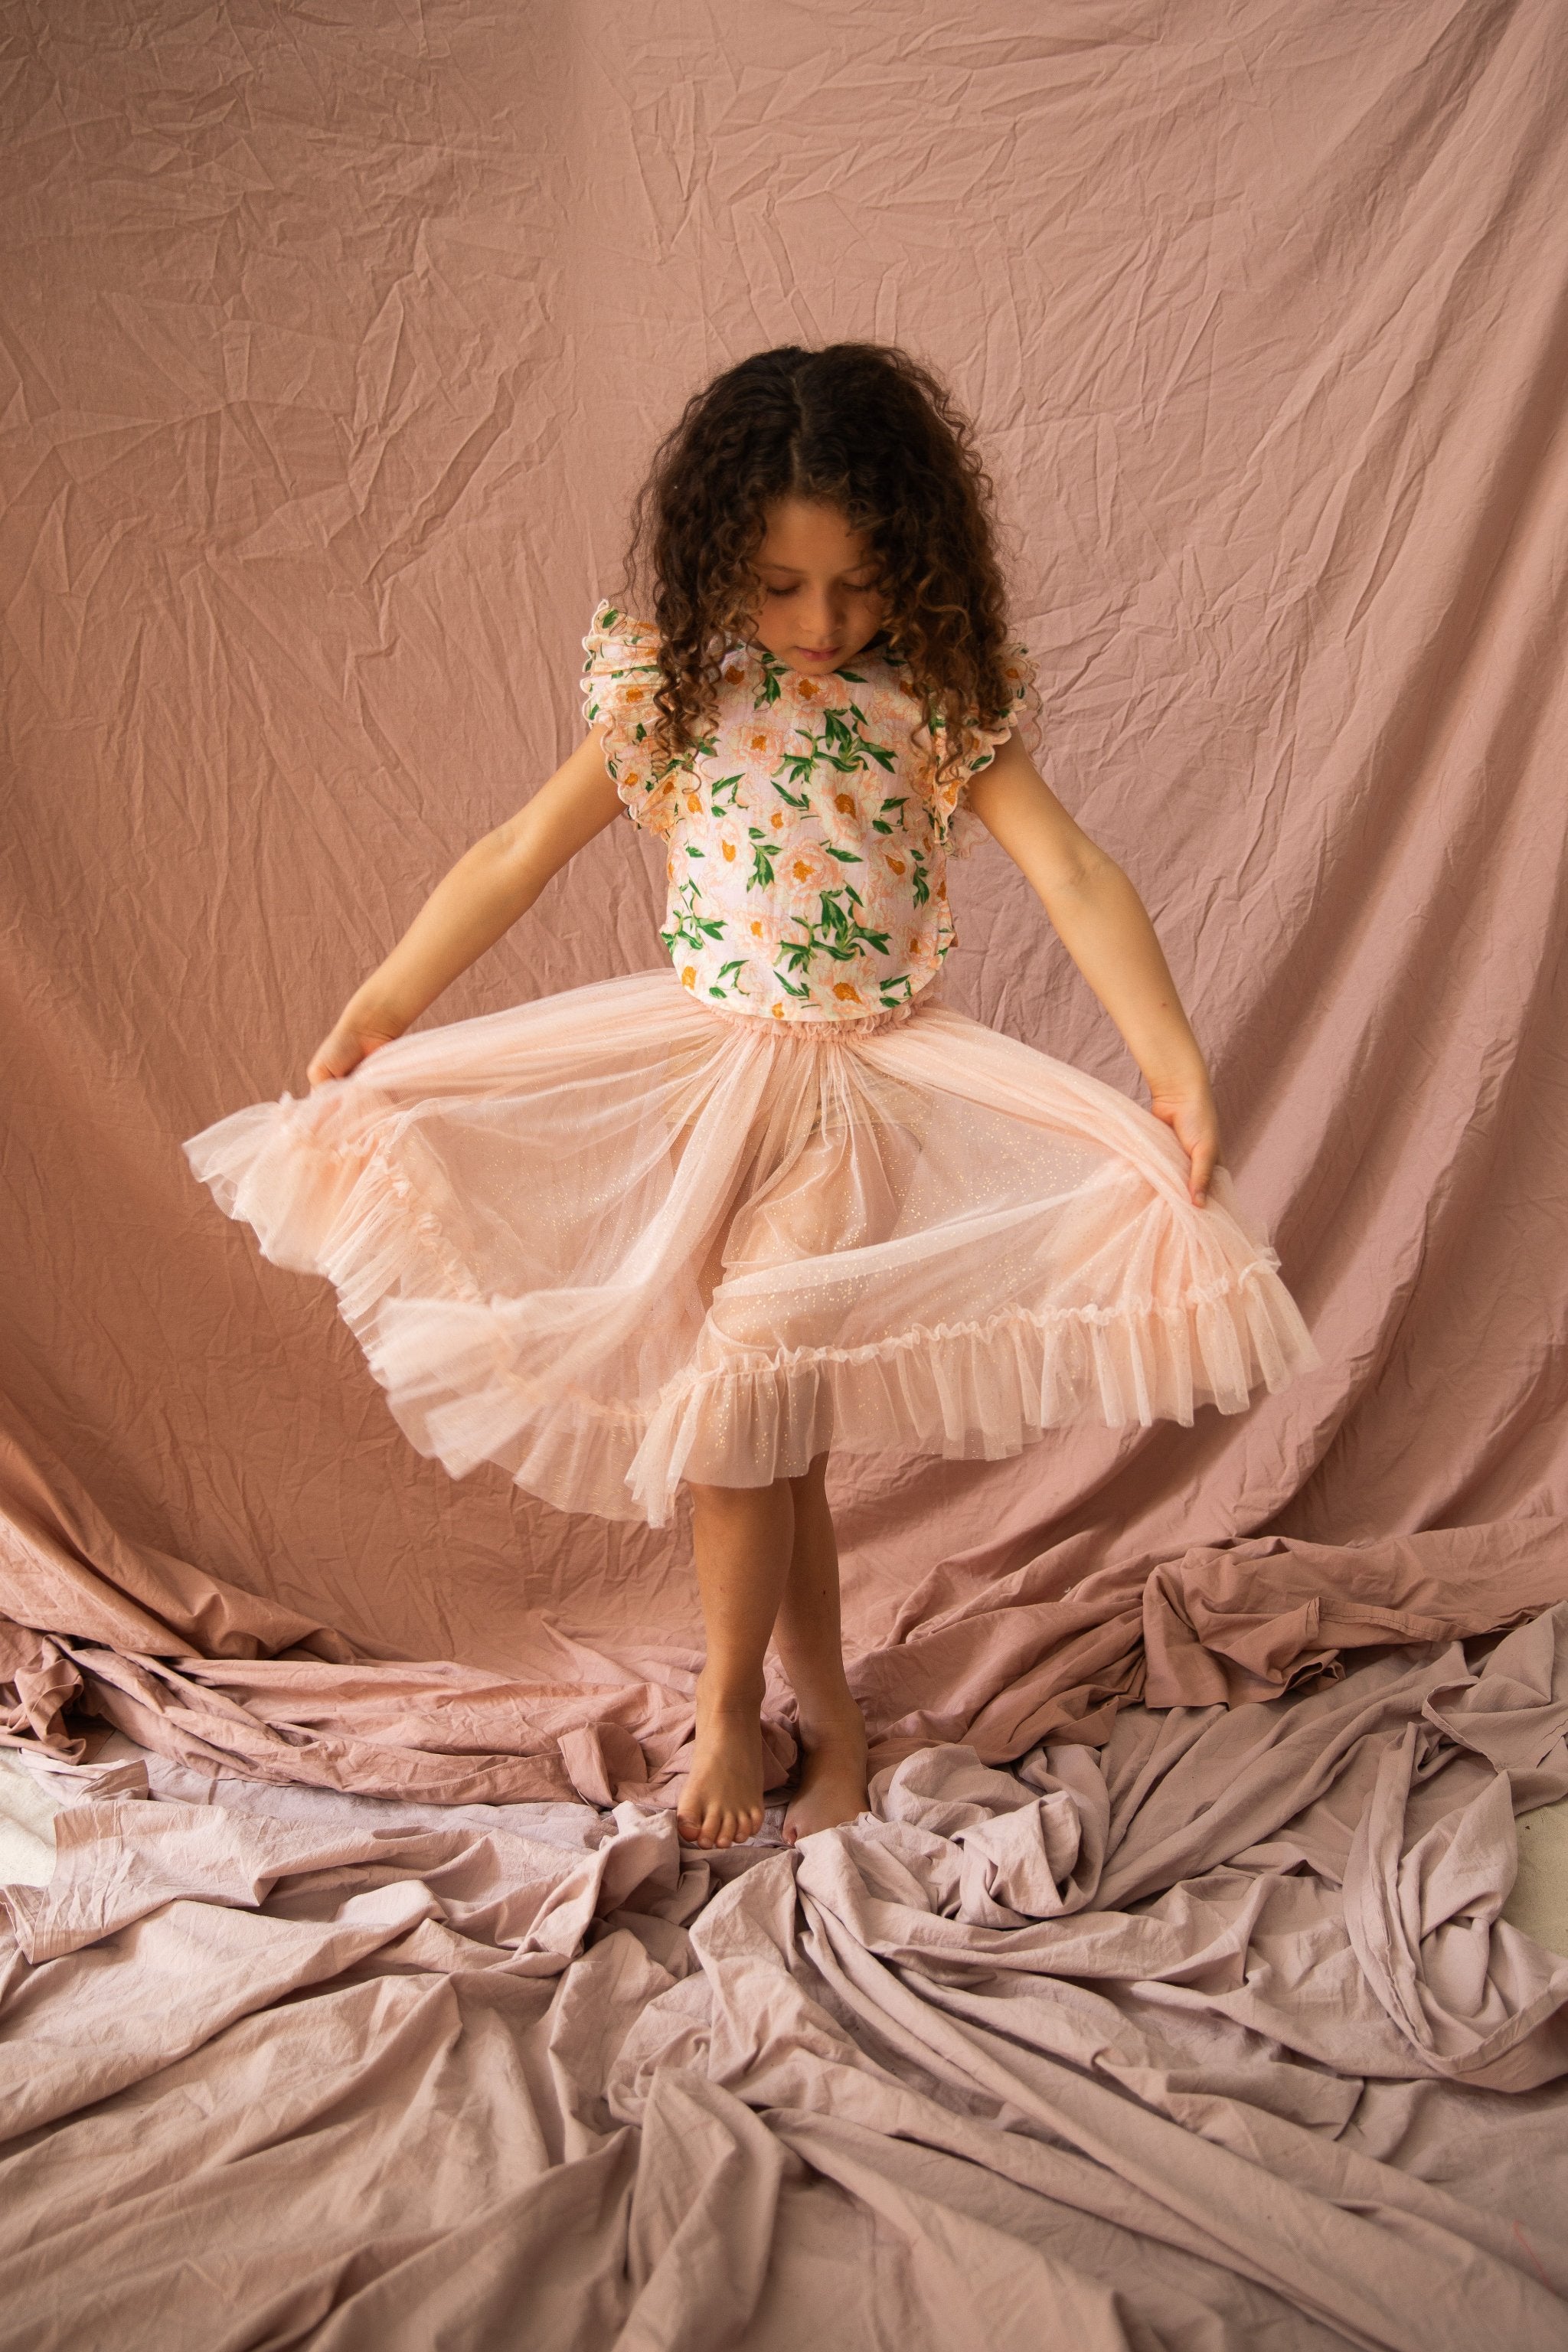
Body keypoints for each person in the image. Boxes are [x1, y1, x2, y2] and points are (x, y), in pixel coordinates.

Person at [184, 341, 1318, 1855]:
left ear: (910, 565)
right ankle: (828, 1713)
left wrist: (1170, 1062)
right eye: (780, 588)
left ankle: (730, 1709)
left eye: (853, 588)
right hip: (703, 1076)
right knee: (768, 1438)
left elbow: (1072, 869)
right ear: (723, 563)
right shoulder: (675, 693)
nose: (818, 625)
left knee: (745, 1396)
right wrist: (382, 1006)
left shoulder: (931, 702)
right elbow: (518, 849)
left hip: (860, 1100)